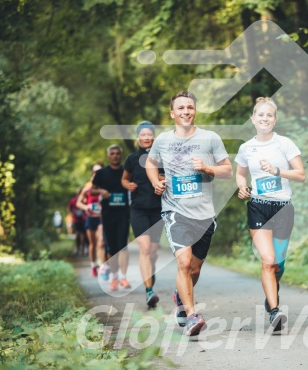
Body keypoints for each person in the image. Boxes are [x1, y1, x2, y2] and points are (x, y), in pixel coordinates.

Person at [146, 91, 232, 336]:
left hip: (204, 214)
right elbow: (151, 164)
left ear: (195, 111)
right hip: (175, 211)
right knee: (183, 263)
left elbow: (227, 170)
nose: (186, 111)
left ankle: (180, 298)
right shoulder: (162, 140)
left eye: (190, 107)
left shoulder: (210, 138)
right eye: (181, 108)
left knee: (194, 269)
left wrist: (207, 167)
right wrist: (155, 182)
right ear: (172, 113)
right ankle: (193, 315)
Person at [235, 97, 305, 332]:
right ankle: (275, 312)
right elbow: (240, 173)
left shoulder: (284, 144)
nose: (265, 119)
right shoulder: (246, 148)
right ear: (253, 118)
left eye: (269, 115)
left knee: (278, 266)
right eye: (260, 115)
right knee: (267, 261)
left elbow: (301, 174)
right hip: (258, 206)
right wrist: (242, 187)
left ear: (275, 120)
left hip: (283, 208)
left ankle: (271, 293)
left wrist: (276, 170)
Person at [122, 121, 164, 308]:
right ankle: (148, 291)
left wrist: (162, 179)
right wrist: (127, 185)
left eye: (149, 134)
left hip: (158, 209)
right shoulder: (132, 158)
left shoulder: (162, 157)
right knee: (145, 248)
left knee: (153, 253)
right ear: (138, 137)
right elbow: (124, 178)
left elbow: (170, 176)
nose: (146, 137)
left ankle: (150, 281)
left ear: (153, 137)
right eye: (143, 135)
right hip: (138, 209)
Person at [92, 145, 131, 291]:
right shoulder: (101, 173)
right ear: (108, 156)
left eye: (117, 153)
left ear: (121, 156)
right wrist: (101, 191)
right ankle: (114, 277)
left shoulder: (126, 172)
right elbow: (93, 189)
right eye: (112, 154)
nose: (115, 156)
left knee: (123, 246)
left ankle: (124, 277)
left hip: (123, 213)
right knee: (111, 248)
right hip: (108, 214)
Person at [77, 164, 106, 277]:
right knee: (92, 244)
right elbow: (79, 203)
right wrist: (86, 207)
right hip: (90, 218)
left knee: (102, 242)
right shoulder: (88, 189)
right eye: (95, 172)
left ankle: (102, 267)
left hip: (101, 219)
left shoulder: (105, 188)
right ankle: (93, 265)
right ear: (92, 174)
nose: (97, 174)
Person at [68, 187, 86, 255]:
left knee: (81, 233)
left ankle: (81, 248)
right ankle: (79, 248)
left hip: (83, 218)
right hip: (77, 219)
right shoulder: (74, 200)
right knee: (79, 233)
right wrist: (72, 214)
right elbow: (69, 208)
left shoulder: (83, 199)